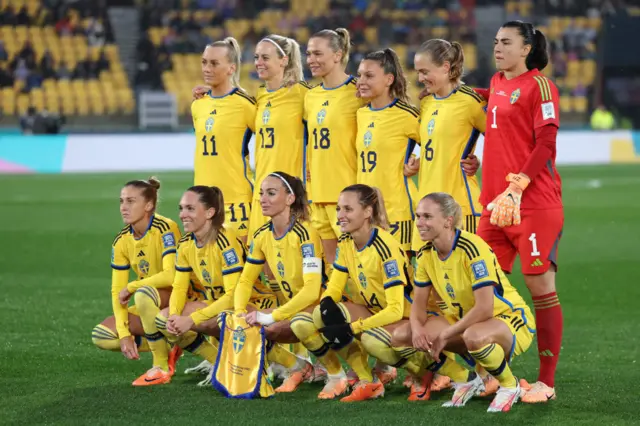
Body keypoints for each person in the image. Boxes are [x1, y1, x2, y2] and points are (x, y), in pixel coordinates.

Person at [293, 184, 470, 402]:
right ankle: (367, 380)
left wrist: (352, 327)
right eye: (339, 209)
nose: (340, 215)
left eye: (348, 209)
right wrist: (328, 303)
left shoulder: (386, 248)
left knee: (371, 340)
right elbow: (335, 287)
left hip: (408, 317)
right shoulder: (346, 242)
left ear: (367, 212)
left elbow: (396, 309)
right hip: (374, 311)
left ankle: (443, 374)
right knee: (319, 315)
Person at [479, 20, 563, 403]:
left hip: (532, 204)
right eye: (496, 41)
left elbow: (546, 141)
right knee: (479, 286)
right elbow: (493, 112)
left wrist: (517, 186)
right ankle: (494, 373)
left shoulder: (540, 86)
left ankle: (546, 382)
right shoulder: (497, 83)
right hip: (494, 205)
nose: (497, 48)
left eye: (506, 42)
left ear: (526, 48)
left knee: (540, 288)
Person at [404, 192, 536, 412]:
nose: (419, 222)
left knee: (473, 336)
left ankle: (509, 385)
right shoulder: (426, 254)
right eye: (417, 216)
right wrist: (417, 330)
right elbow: (418, 305)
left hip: (508, 319)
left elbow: (485, 308)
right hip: (468, 323)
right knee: (407, 335)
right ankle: (469, 379)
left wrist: (445, 335)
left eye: (427, 216)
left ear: (447, 220)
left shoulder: (472, 248)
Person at [154, 186, 276, 385]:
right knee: (164, 320)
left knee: (219, 317)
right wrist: (176, 315)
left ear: (210, 213)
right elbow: (179, 287)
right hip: (216, 308)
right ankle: (218, 362)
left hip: (251, 306)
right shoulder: (185, 244)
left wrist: (191, 320)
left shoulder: (225, 239)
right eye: (181, 208)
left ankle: (288, 362)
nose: (183, 215)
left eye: (190, 209)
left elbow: (232, 296)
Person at [235, 172, 324, 393]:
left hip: (321, 307)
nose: (263, 199)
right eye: (262, 193)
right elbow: (246, 279)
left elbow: (313, 290)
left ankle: (336, 374)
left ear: (290, 199)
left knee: (272, 324)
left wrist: (272, 316)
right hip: (292, 308)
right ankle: (299, 367)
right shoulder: (261, 235)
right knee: (239, 319)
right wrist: (237, 312)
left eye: (271, 193)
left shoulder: (306, 233)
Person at [91, 177, 182, 386]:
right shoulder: (122, 240)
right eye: (122, 201)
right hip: (150, 303)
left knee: (142, 295)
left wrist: (132, 286)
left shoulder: (165, 228)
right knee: (102, 335)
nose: (124, 207)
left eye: (131, 201)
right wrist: (124, 334)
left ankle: (160, 364)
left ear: (148, 205)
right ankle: (167, 344)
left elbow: (171, 276)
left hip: (178, 299)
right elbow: (116, 291)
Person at [304, 28, 363, 269]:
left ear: (338, 55)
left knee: (358, 264)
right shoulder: (310, 96)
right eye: (308, 54)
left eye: (318, 53)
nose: (311, 60)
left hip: (346, 195)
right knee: (331, 267)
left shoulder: (359, 92)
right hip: (317, 194)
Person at [191, 38, 257, 241]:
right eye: (204, 62)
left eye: (214, 63)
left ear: (231, 68)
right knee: (208, 270)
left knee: (244, 269)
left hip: (235, 200)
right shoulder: (198, 105)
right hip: (203, 201)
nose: (207, 68)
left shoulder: (245, 105)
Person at [355, 48, 420, 252]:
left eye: (369, 75)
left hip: (396, 210)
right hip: (366, 211)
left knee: (401, 277)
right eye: (360, 75)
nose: (361, 81)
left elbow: (437, 147)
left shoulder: (406, 115)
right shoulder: (361, 114)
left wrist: (418, 163)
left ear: (389, 79)